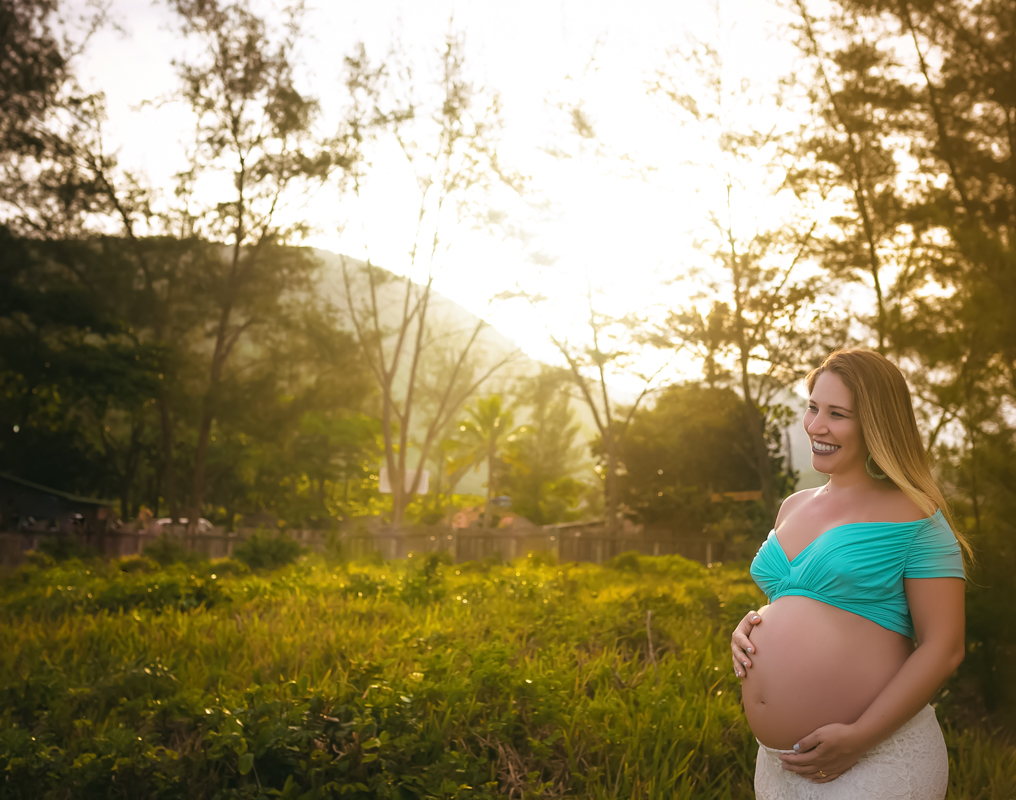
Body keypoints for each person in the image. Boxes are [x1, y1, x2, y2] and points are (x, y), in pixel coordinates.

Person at [729, 347, 969, 799]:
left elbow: (945, 647)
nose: (816, 426)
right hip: (777, 767)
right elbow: (799, 603)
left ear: (876, 423)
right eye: (813, 407)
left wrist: (860, 737)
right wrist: (752, 626)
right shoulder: (793, 505)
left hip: (873, 759)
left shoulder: (917, 518)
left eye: (838, 414)